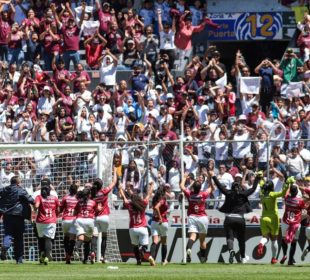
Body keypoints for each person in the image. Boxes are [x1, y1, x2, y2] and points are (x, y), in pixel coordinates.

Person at [210, 170, 262, 264]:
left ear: (232, 187)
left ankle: (231, 251)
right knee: (241, 239)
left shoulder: (228, 193)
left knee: (230, 238)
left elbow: (219, 186)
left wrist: (213, 176)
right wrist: (258, 178)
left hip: (229, 218)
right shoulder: (243, 194)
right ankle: (242, 257)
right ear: (239, 188)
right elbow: (254, 189)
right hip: (240, 219)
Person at [255, 177, 294, 264]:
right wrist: (287, 183)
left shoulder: (262, 194)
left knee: (265, 237)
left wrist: (260, 179)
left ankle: (261, 244)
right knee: (274, 239)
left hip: (264, 217)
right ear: (271, 187)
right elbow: (283, 193)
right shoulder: (272, 194)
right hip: (273, 218)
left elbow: (261, 186)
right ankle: (273, 258)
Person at [179, 172, 214, 264]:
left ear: (193, 187)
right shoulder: (203, 194)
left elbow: (182, 186)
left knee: (193, 236)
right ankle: (203, 258)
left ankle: (189, 249)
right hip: (202, 217)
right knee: (202, 240)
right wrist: (210, 177)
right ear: (200, 188)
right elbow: (212, 188)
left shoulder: (189, 194)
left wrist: (185, 177)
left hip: (192, 217)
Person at [0, 176, 34, 264]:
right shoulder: (20, 190)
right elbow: (30, 199)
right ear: (18, 183)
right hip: (18, 216)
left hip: (7, 216)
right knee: (19, 238)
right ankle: (19, 260)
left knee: (8, 234)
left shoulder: (4, 189)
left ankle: (5, 246)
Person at [118, 182, 154, 265]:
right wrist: (151, 186)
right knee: (145, 246)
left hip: (132, 228)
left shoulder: (129, 205)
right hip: (142, 228)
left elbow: (124, 198)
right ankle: (142, 251)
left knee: (135, 245)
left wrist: (120, 189)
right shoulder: (143, 204)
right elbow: (149, 194)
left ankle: (138, 260)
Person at [90, 169, 117, 263]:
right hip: (104, 217)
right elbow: (114, 182)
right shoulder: (104, 191)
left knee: (94, 236)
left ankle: (93, 252)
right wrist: (115, 171)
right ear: (101, 185)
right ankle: (102, 256)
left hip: (95, 217)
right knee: (104, 236)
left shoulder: (91, 194)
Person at [279, 183, 307, 265]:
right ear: (297, 191)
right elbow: (304, 209)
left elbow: (286, 193)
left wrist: (289, 185)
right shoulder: (300, 201)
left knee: (284, 239)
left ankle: (284, 255)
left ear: (290, 191)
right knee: (294, 242)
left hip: (285, 222)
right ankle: (290, 260)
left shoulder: (287, 198)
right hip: (295, 224)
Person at [34, 178, 59, 265]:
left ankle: (41, 253)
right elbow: (58, 209)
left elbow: (36, 206)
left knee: (41, 238)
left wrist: (35, 208)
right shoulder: (54, 196)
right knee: (48, 238)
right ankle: (47, 256)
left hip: (39, 221)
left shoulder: (37, 195)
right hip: (51, 220)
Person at [73, 187, 97, 264]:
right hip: (89, 221)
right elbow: (96, 211)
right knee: (94, 236)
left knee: (81, 238)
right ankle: (93, 252)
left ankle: (76, 248)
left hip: (79, 220)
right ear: (89, 194)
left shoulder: (79, 202)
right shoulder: (93, 202)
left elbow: (74, 212)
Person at [148, 185, 171, 266]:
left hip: (154, 222)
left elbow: (155, 207)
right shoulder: (163, 199)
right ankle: (163, 260)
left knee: (155, 241)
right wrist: (161, 218)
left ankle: (151, 257)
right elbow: (157, 208)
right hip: (162, 222)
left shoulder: (154, 199)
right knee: (164, 242)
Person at [59, 183, 79, 264]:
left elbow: (60, 209)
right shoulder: (78, 198)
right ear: (76, 190)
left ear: (69, 190)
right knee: (72, 239)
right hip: (74, 220)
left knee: (66, 237)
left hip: (65, 219)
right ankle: (69, 256)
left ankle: (67, 253)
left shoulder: (65, 197)